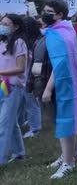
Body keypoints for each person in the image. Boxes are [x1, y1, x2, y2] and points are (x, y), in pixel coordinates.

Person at [40, 0, 77, 179]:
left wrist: (48, 89)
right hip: (64, 81)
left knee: (65, 120)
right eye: (44, 10)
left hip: (63, 83)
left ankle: (68, 162)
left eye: (49, 11)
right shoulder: (62, 30)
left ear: (59, 15)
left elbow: (61, 65)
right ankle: (66, 155)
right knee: (63, 121)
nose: (44, 13)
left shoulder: (58, 34)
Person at [0, 14, 27, 166]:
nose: (2, 26)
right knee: (10, 121)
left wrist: (1, 73)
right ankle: (19, 153)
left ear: (15, 26)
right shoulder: (3, 42)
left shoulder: (19, 42)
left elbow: (20, 68)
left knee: (3, 125)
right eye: (1, 22)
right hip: (2, 87)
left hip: (13, 87)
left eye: (6, 23)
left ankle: (1, 160)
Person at [19, 17, 43, 138]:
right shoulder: (27, 39)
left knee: (31, 101)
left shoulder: (36, 41)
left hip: (31, 74)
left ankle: (35, 128)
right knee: (25, 101)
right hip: (24, 74)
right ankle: (26, 121)